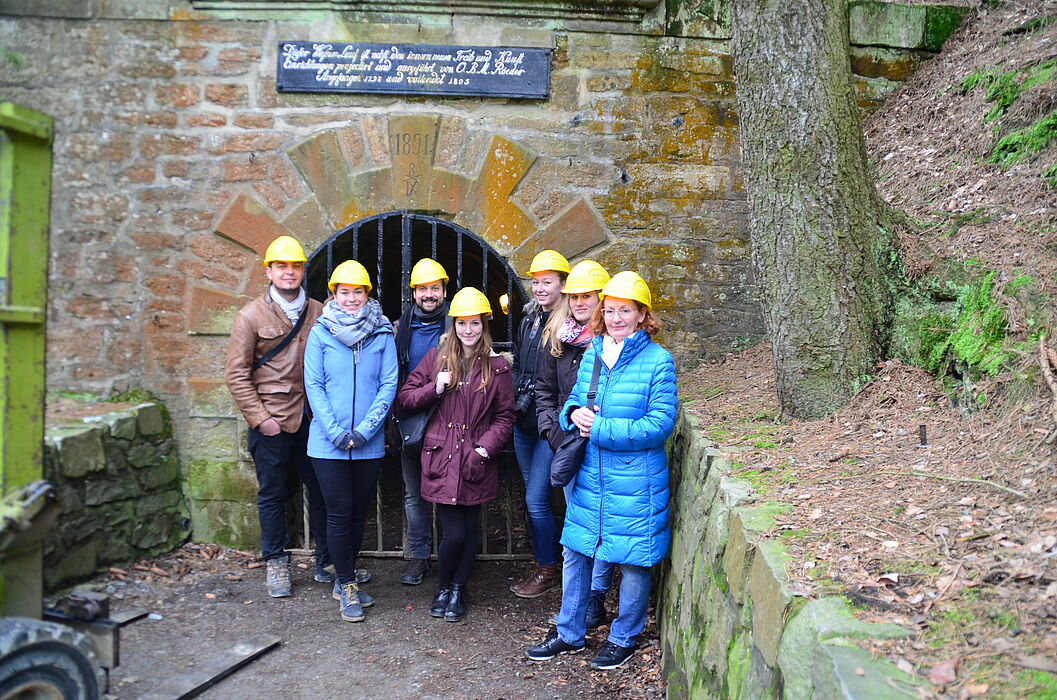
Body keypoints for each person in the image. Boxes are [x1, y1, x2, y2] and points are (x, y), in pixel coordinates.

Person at [526, 272, 677, 670]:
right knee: (576, 553)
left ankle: (623, 637)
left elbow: (661, 424)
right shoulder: (594, 351)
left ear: (642, 314)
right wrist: (570, 413)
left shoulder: (658, 361)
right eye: (609, 310)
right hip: (592, 474)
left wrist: (603, 429)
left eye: (624, 310)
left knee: (631, 560)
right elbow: (575, 400)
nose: (615, 318)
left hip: (634, 480)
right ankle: (569, 633)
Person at [396, 287, 515, 623]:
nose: (468, 330)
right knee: (455, 533)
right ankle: (444, 587)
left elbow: (506, 416)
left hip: (475, 457)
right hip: (442, 456)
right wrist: (434, 387)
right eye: (462, 323)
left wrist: (484, 448)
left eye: (474, 324)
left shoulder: (497, 367)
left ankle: (458, 589)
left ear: (483, 326)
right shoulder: (437, 359)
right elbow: (405, 398)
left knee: (470, 528)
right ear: (454, 324)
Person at [224, 235, 333, 599]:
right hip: (272, 420)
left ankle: (327, 560)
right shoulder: (250, 316)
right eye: (282, 266)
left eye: (296, 266)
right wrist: (260, 418)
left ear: (303, 270)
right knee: (273, 494)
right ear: (268, 271)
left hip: (313, 420)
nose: (289, 272)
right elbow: (236, 374)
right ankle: (276, 561)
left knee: (321, 492)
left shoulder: (319, 310)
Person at [304, 260, 398, 623]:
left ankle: (346, 572)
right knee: (339, 512)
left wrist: (366, 429)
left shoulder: (382, 334)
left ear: (367, 294)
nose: (351, 298)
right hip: (328, 443)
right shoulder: (320, 333)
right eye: (345, 292)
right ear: (334, 294)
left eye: (358, 291)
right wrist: (336, 431)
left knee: (359, 513)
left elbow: (389, 383)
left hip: (367, 442)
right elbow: (314, 385)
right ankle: (345, 583)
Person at [535, 260, 615, 629]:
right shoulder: (559, 339)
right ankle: (579, 606)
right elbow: (545, 392)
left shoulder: (614, 343)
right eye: (576, 297)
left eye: (587, 296)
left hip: (606, 445)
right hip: (568, 443)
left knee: (604, 524)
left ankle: (595, 598)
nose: (580, 303)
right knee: (578, 525)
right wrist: (555, 434)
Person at [510, 250, 570, 599]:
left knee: (536, 500)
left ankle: (549, 570)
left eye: (547, 282)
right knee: (534, 497)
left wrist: (552, 418)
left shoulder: (567, 325)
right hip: (524, 420)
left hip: (549, 425)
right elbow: (519, 362)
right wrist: (516, 395)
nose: (539, 288)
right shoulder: (529, 319)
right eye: (536, 281)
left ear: (563, 284)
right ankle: (544, 563)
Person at [392, 258, 450, 586]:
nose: (429, 294)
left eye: (434, 288)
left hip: (448, 419)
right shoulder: (400, 329)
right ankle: (418, 555)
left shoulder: (459, 323)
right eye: (423, 289)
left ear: (444, 290)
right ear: (414, 292)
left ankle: (449, 554)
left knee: (446, 490)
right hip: (411, 417)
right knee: (413, 493)